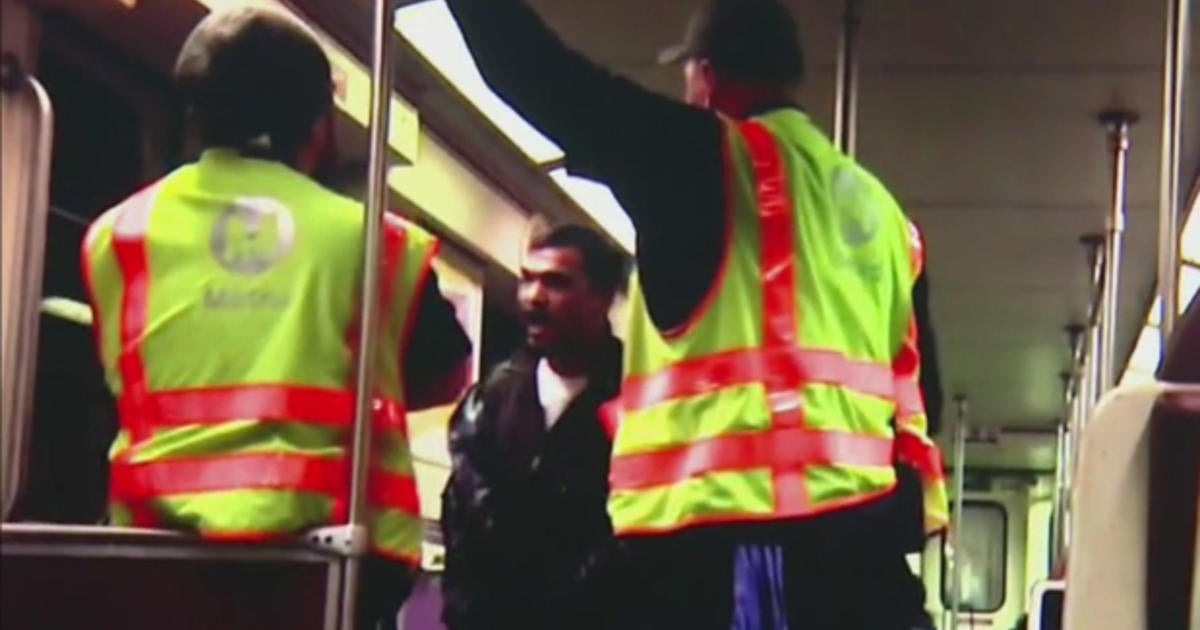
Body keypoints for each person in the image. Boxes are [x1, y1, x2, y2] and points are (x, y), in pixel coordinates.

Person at [442, 0, 948, 627]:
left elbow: (531, 71)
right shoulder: (887, 219)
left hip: (723, 560)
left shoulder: (701, 157)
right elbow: (924, 400)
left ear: (705, 78)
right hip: (861, 567)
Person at [79, 7, 471, 629]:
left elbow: (116, 374)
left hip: (159, 553)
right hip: (330, 562)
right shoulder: (373, 240)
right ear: (315, 127)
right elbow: (448, 374)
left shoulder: (118, 234)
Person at [440, 222, 626, 630]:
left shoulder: (635, 401)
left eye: (556, 283)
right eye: (527, 279)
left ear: (602, 297)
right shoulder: (489, 402)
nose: (533, 297)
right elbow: (464, 531)